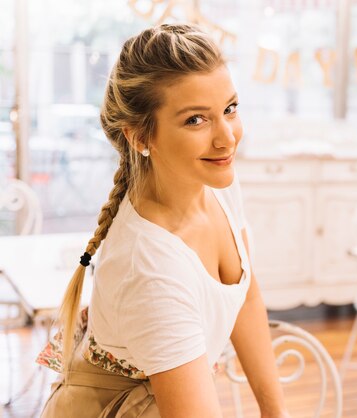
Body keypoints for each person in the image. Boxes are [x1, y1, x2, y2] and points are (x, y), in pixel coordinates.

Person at [37, 23, 290, 417]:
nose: (227, 137)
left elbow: (246, 298)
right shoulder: (150, 266)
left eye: (230, 109)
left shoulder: (217, 182)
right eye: (196, 120)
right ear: (140, 136)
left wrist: (277, 413)